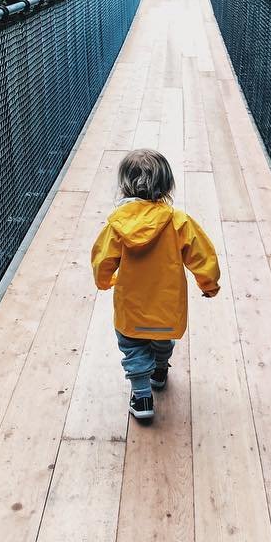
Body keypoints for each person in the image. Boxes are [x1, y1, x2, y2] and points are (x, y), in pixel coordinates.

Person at [91, 149, 220, 421]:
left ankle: (142, 397)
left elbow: (103, 259)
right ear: (167, 186)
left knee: (133, 347)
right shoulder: (178, 222)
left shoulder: (117, 225)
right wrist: (209, 284)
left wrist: (105, 281)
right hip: (166, 307)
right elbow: (202, 254)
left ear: (124, 185)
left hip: (131, 308)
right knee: (162, 339)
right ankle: (160, 371)